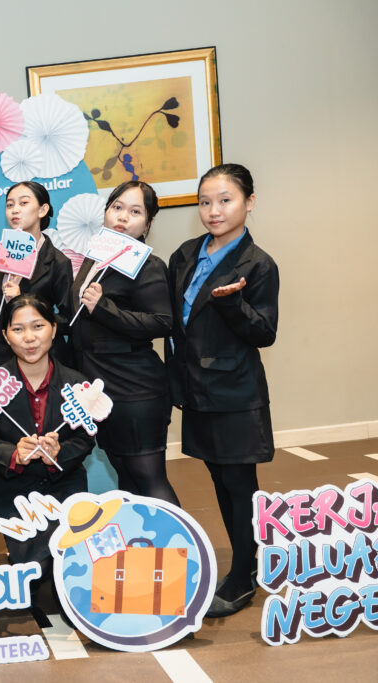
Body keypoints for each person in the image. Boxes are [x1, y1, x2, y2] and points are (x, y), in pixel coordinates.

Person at [167, 163, 278, 617]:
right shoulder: (185, 253)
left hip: (234, 394)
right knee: (218, 479)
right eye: (205, 202)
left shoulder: (258, 264)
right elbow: (174, 320)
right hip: (195, 390)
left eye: (225, 200)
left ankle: (243, 576)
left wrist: (233, 304)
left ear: (249, 202)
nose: (214, 211)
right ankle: (248, 562)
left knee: (239, 486)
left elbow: (265, 332)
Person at [0, 295, 95, 627]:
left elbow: (85, 439)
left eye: (38, 326)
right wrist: (13, 453)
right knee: (36, 567)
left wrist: (59, 452)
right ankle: (33, 574)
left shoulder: (76, 384)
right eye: (18, 329)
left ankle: (51, 580)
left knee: (62, 555)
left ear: (53, 329)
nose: (29, 338)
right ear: (6, 335)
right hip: (12, 490)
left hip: (63, 487)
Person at [70, 181, 179, 505]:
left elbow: (162, 322)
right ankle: (146, 538)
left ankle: (183, 538)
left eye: (135, 212)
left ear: (148, 223)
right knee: (127, 478)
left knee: (149, 478)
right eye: (117, 207)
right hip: (100, 389)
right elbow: (81, 318)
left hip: (135, 389)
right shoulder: (97, 256)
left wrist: (104, 308)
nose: (122, 217)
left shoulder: (148, 265)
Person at [0, 181, 73, 372]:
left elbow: (69, 319)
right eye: (10, 205)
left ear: (42, 210)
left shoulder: (58, 261)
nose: (15, 210)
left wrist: (24, 302)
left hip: (42, 356)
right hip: (2, 354)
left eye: (23, 203)